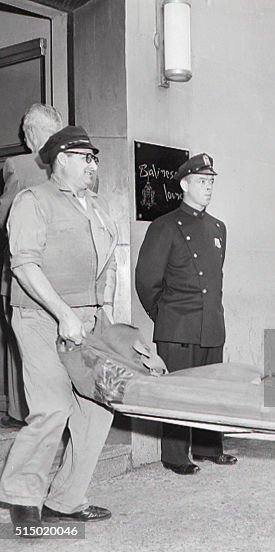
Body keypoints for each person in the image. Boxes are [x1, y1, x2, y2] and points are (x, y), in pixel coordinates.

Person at [0, 126, 117, 535]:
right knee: (52, 406)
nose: (93, 165)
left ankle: (65, 501)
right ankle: (20, 494)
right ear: (61, 159)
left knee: (98, 408)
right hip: (39, 316)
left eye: (95, 158)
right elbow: (24, 265)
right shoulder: (34, 201)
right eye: (86, 157)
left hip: (89, 320)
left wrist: (105, 314)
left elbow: (108, 265)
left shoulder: (97, 206)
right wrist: (63, 312)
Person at [136, 153, 237, 475]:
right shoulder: (164, 226)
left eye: (211, 182)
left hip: (210, 322)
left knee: (212, 390)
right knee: (179, 394)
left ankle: (209, 447)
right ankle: (175, 455)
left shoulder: (218, 227)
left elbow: (214, 278)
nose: (208, 188)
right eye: (202, 181)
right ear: (184, 185)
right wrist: (165, 317)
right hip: (177, 324)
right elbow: (147, 280)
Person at [0, 103, 63, 427]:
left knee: (22, 346)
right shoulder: (77, 164)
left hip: (24, 276)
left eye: (27, 132)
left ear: (32, 133)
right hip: (66, 278)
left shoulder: (19, 165)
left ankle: (22, 412)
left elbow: (5, 217)